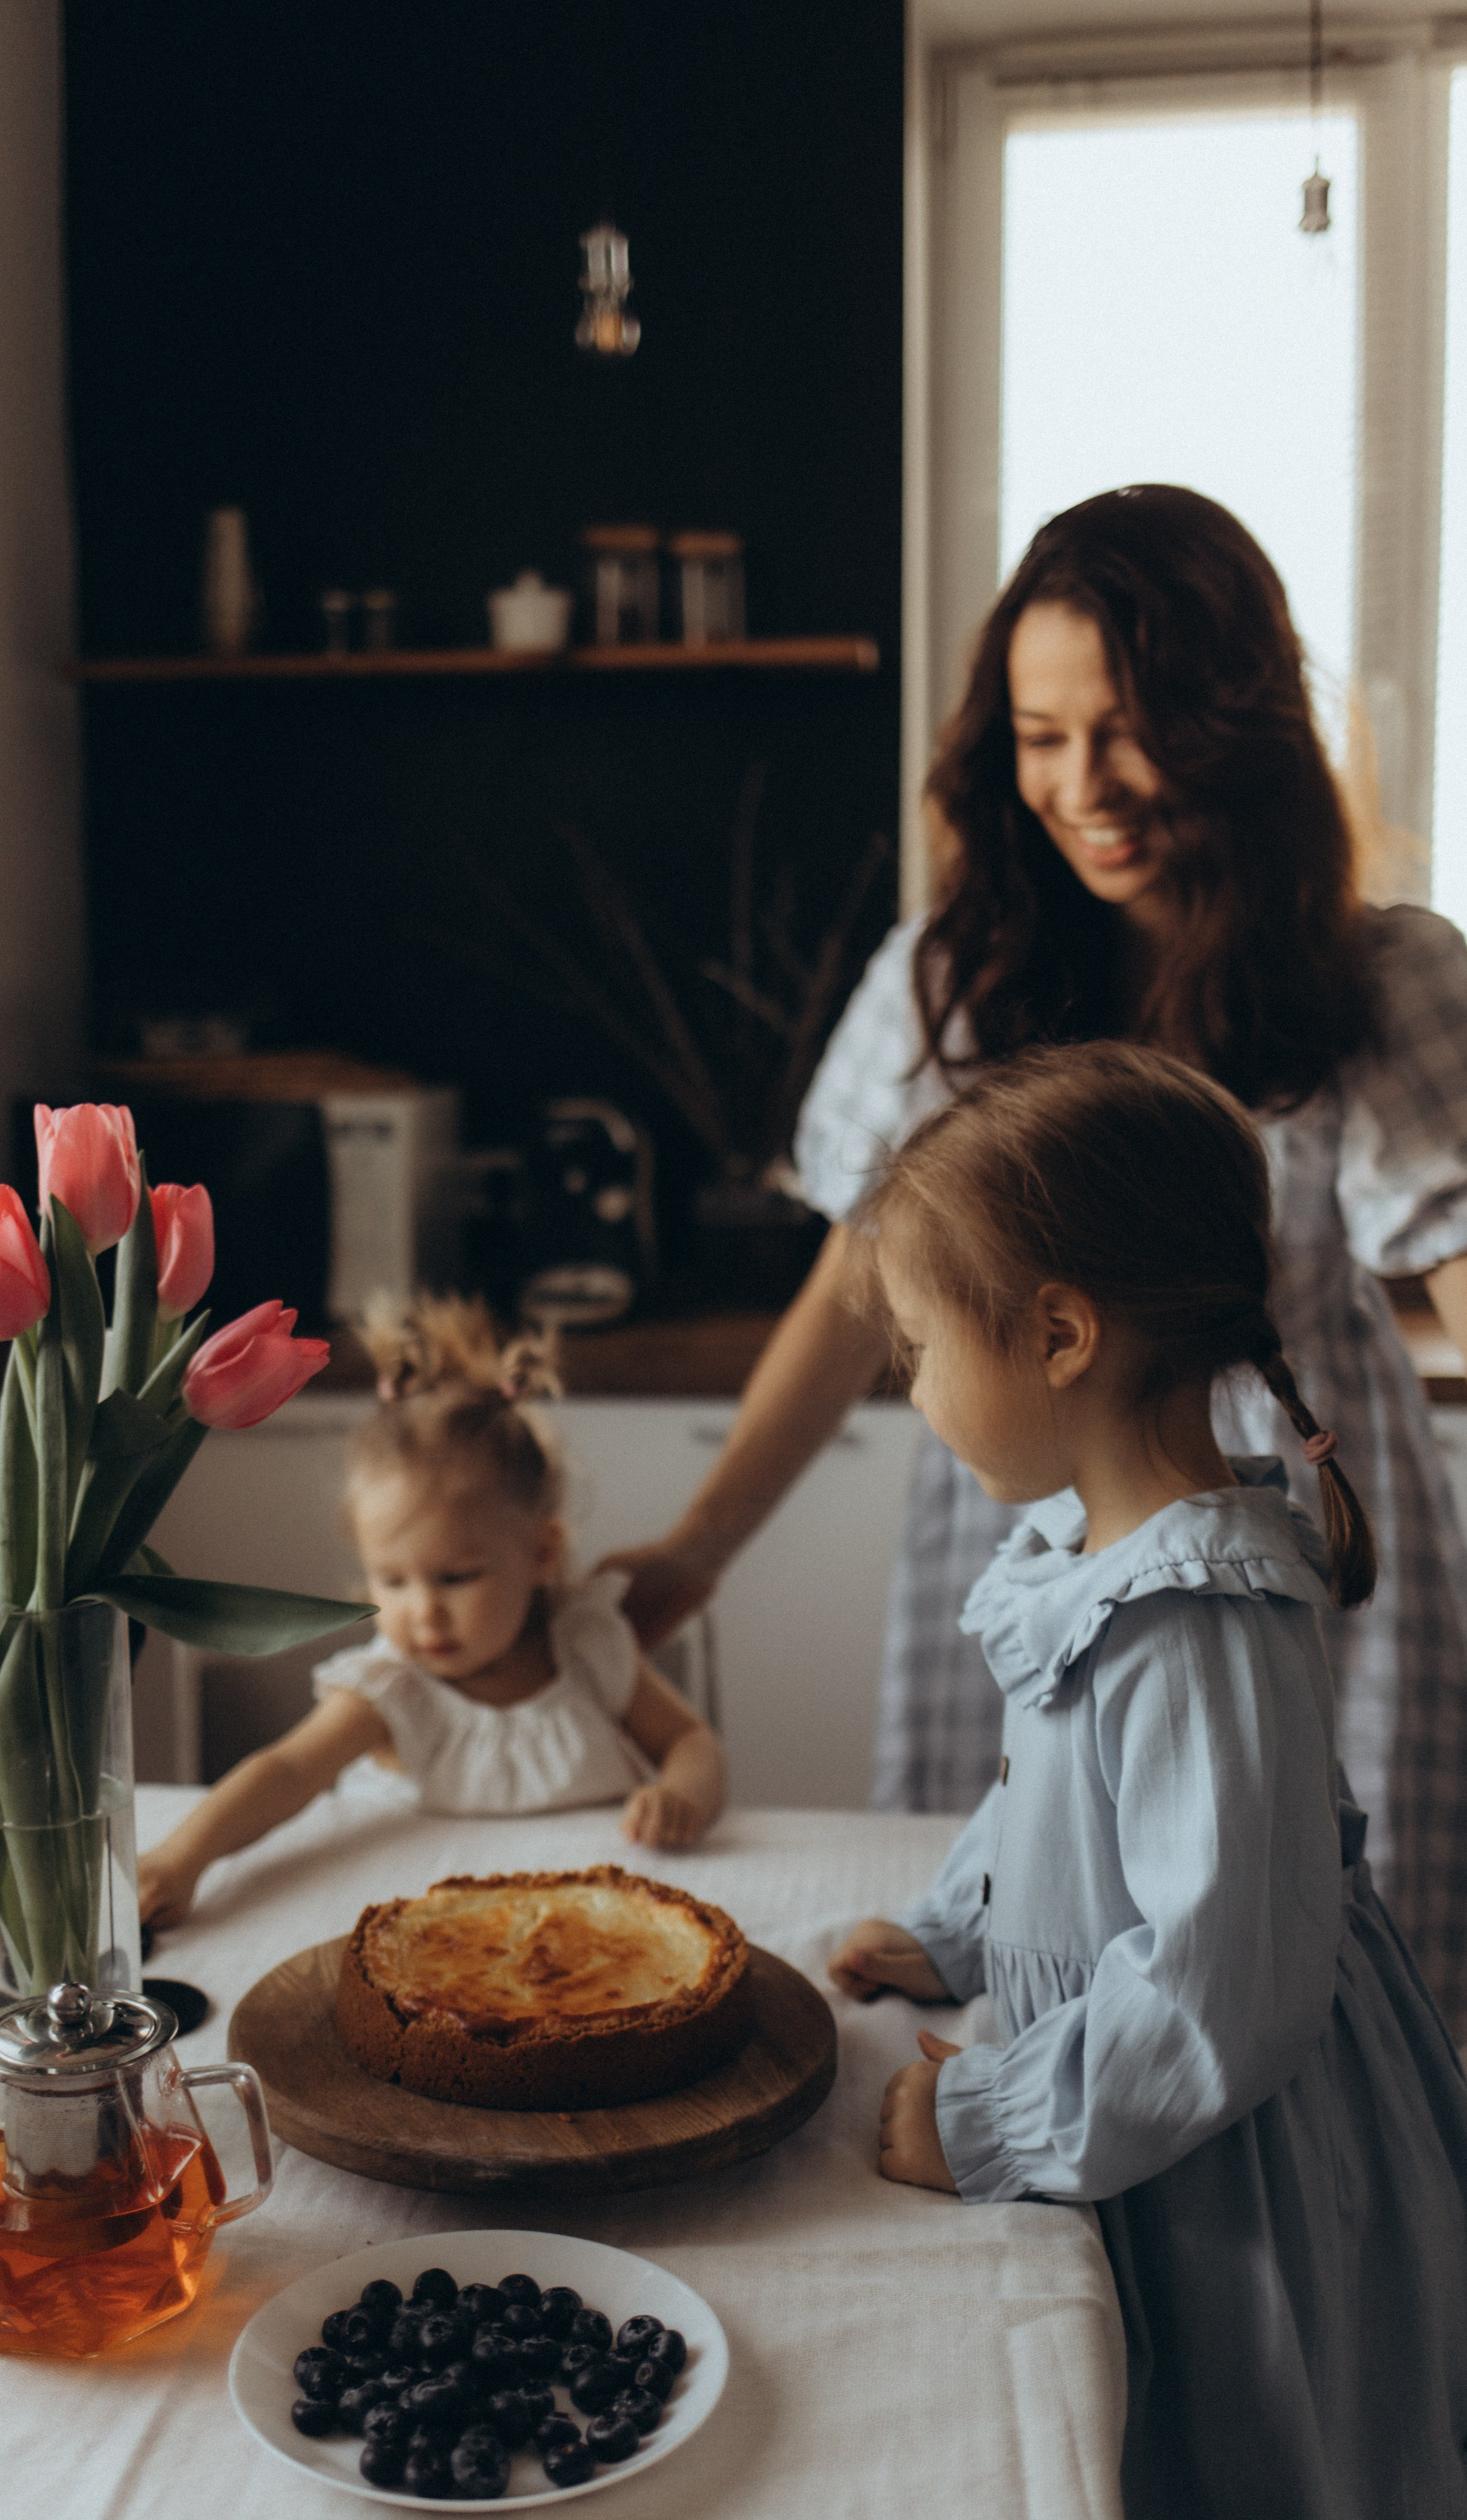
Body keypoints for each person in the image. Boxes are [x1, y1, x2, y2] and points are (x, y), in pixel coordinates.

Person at [607, 484, 1467, 2032]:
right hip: (1023, 1528)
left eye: (1129, 729)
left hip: (1284, 1539)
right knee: (1026, 1958)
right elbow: (847, 1288)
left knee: (1294, 1989)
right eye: (1039, 734)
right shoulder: (952, 972)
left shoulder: (1373, 974)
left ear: (1241, 723)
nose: (1086, 785)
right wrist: (694, 1548)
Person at [827, 1042, 1467, 2519]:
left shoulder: (1194, 1620)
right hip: (1144, 2094)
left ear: (1057, 1332)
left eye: (921, 1345)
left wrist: (987, 2122)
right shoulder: (1103, 1561)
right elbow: (1048, 1801)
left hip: (1216, 2151)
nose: (910, 1387)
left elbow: (1215, 1995)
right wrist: (956, 1932)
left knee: (1235, 2454)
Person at [138, 1298, 725, 1928]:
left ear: (540, 1553)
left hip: (596, 1927)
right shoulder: (390, 1689)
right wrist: (181, 1857)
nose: (424, 1613)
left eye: (457, 1578)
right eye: (392, 1580)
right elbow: (284, 1772)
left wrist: (681, 1794)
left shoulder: (587, 1647)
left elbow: (690, 1740)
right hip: (427, 1934)